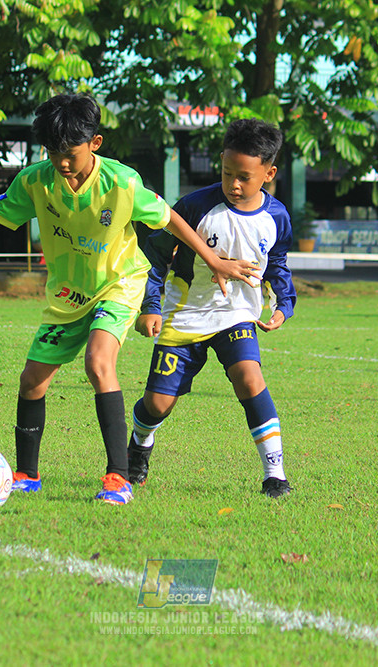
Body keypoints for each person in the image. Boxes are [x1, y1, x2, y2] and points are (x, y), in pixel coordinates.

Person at [0, 94, 258, 505]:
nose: (62, 162)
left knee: (98, 362)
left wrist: (212, 258)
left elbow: (170, 219)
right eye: (53, 153)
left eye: (70, 153)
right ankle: (26, 473)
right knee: (32, 381)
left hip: (118, 283)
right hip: (68, 294)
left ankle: (117, 477)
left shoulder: (123, 183)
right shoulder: (36, 180)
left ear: (95, 142)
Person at [126, 119, 297, 498]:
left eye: (245, 178)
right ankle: (140, 443)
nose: (234, 184)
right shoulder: (194, 207)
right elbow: (154, 258)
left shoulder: (278, 217)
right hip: (184, 315)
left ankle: (275, 475)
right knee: (157, 404)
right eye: (227, 173)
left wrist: (283, 304)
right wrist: (149, 307)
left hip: (237, 315)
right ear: (220, 161)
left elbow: (279, 264)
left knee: (249, 378)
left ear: (268, 174)